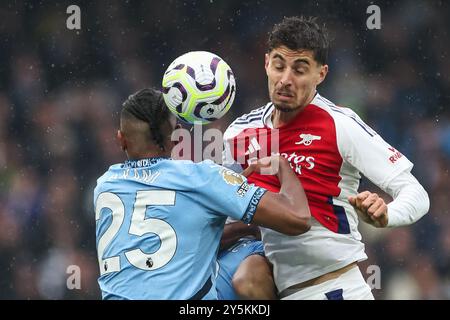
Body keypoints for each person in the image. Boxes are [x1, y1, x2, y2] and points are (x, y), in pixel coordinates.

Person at [222, 16, 430, 300]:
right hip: (283, 292)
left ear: (321, 74)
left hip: (339, 289)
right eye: (279, 65)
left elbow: (416, 193)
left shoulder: (339, 124)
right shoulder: (239, 134)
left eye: (300, 69)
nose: (285, 79)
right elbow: (227, 212)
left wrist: (386, 216)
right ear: (266, 63)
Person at [93, 88, 311, 300]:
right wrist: (282, 165)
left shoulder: (104, 187)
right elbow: (297, 219)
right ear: (178, 137)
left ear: (121, 139)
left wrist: (244, 228)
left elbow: (177, 242)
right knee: (257, 254)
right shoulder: (200, 178)